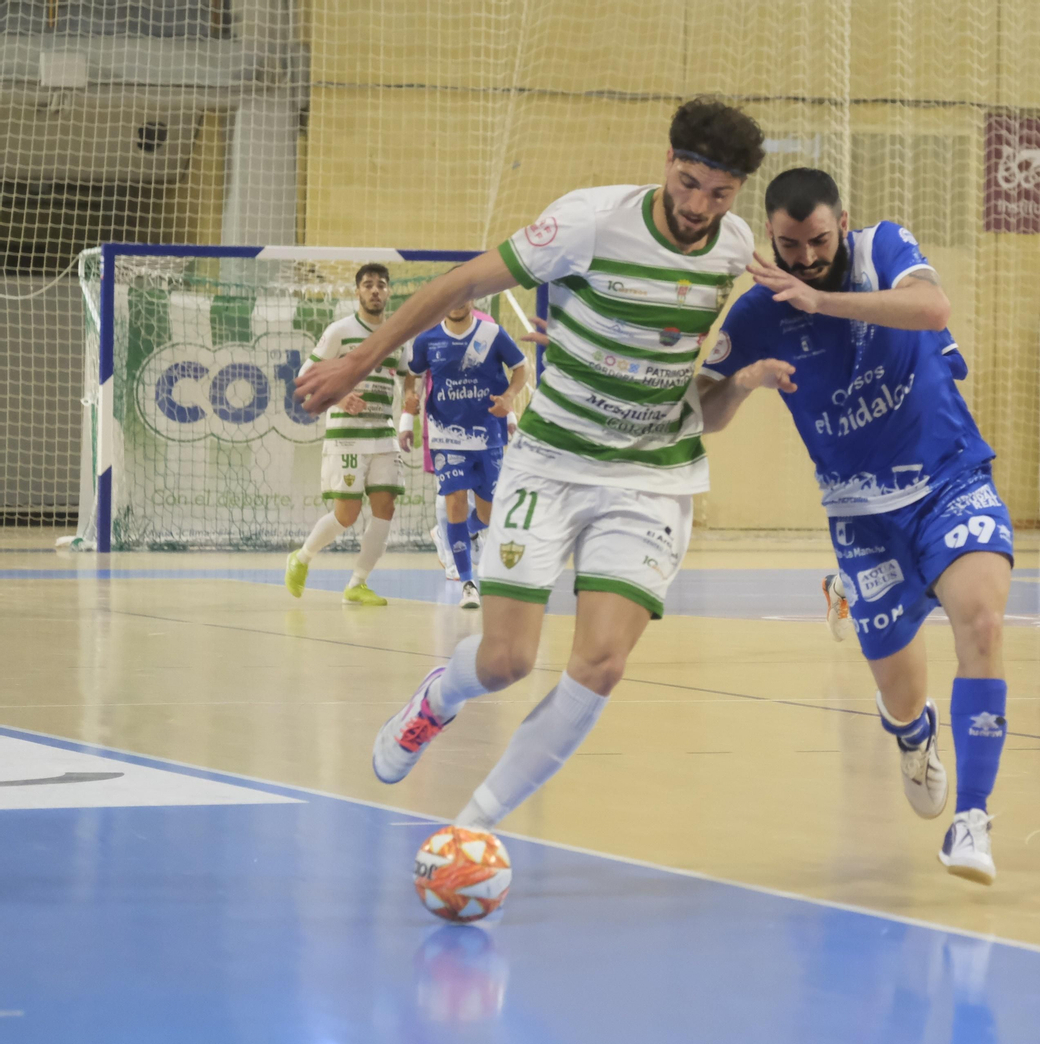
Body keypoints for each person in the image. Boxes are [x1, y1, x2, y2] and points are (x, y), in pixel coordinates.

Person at [296, 97, 766, 831]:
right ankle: (437, 701)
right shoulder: (589, 221)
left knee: (602, 663)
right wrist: (359, 359)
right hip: (549, 462)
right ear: (667, 161)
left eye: (720, 193)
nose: (700, 206)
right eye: (689, 184)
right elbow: (459, 286)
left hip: (651, 477)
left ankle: (472, 829)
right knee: (508, 659)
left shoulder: (737, 248)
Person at [696, 168, 1012, 885]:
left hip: (949, 479)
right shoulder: (757, 314)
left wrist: (821, 300)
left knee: (983, 624)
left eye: (817, 240)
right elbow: (701, 413)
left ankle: (974, 817)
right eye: (788, 245)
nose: (804, 257)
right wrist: (744, 383)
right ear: (768, 238)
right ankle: (911, 731)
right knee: (902, 692)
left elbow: (933, 309)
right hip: (861, 514)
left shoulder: (883, 250)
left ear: (845, 220)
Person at [284, 263, 418, 605]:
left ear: (388, 292)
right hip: (347, 436)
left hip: (383, 435)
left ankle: (357, 582)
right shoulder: (341, 331)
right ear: (357, 291)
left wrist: (410, 398)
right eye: (368, 285)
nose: (375, 290)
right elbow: (305, 374)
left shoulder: (397, 334)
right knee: (347, 515)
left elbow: (407, 373)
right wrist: (341, 398)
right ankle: (302, 557)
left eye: (381, 285)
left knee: (385, 507)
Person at [410, 297, 529, 607]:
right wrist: (408, 404)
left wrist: (510, 398)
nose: (457, 302)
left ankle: (445, 534)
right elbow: (412, 374)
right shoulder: (428, 339)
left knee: (488, 515)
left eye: (464, 295)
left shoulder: (492, 333)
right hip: (447, 437)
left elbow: (520, 368)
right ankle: (467, 583)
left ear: (473, 299)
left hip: (488, 435)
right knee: (456, 505)